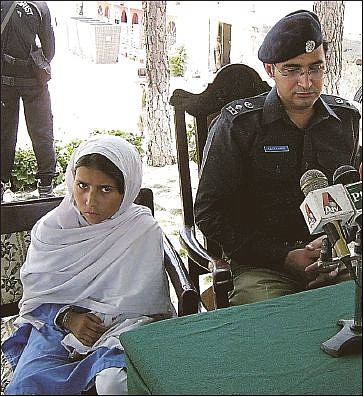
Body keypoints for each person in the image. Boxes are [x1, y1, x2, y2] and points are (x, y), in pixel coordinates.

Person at [194, 10, 361, 306]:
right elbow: (210, 212)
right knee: (271, 325)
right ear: (270, 70)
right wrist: (283, 257)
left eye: (315, 68)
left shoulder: (345, 121)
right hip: (263, 266)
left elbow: (352, 196)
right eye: (292, 69)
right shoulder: (239, 125)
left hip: (335, 258)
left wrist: (336, 249)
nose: (306, 82)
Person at [1, 135, 174, 395]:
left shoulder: (141, 229)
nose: (90, 201)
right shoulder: (51, 230)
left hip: (122, 328)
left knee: (114, 384)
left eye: (105, 189)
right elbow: (37, 300)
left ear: (127, 191)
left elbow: (146, 307)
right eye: (82, 185)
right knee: (28, 388)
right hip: (56, 326)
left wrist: (102, 324)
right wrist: (69, 318)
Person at [1, 1, 57, 200]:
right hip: (34, 82)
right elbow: (49, 50)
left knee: (4, 133)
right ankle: (46, 185)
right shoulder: (40, 6)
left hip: (4, 81)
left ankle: (1, 183)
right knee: (42, 132)